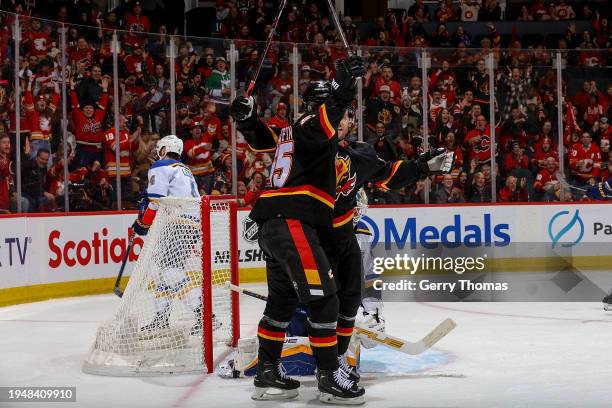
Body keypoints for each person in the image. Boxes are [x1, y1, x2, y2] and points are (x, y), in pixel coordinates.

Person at [231, 57, 366, 404]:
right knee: (324, 298)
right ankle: (328, 377)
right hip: (293, 223)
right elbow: (330, 113)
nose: (343, 119)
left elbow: (262, 137)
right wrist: (345, 84)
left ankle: (267, 371)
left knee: (282, 301)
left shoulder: (293, 132)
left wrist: (246, 119)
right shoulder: (313, 126)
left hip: (273, 225)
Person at [131, 135, 201, 332]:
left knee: (170, 272)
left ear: (164, 149)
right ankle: (161, 318)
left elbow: (155, 201)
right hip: (190, 222)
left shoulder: (161, 166)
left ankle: (203, 313)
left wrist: (142, 224)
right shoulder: (184, 169)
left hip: (178, 223)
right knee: (164, 274)